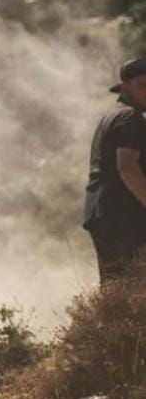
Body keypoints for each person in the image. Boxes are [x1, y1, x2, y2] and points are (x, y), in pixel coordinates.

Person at [83, 55, 146, 282]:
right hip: (122, 214)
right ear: (125, 87)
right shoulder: (130, 118)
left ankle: (108, 318)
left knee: (115, 286)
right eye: (142, 85)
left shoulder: (111, 115)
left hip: (103, 212)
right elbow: (127, 167)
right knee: (134, 284)